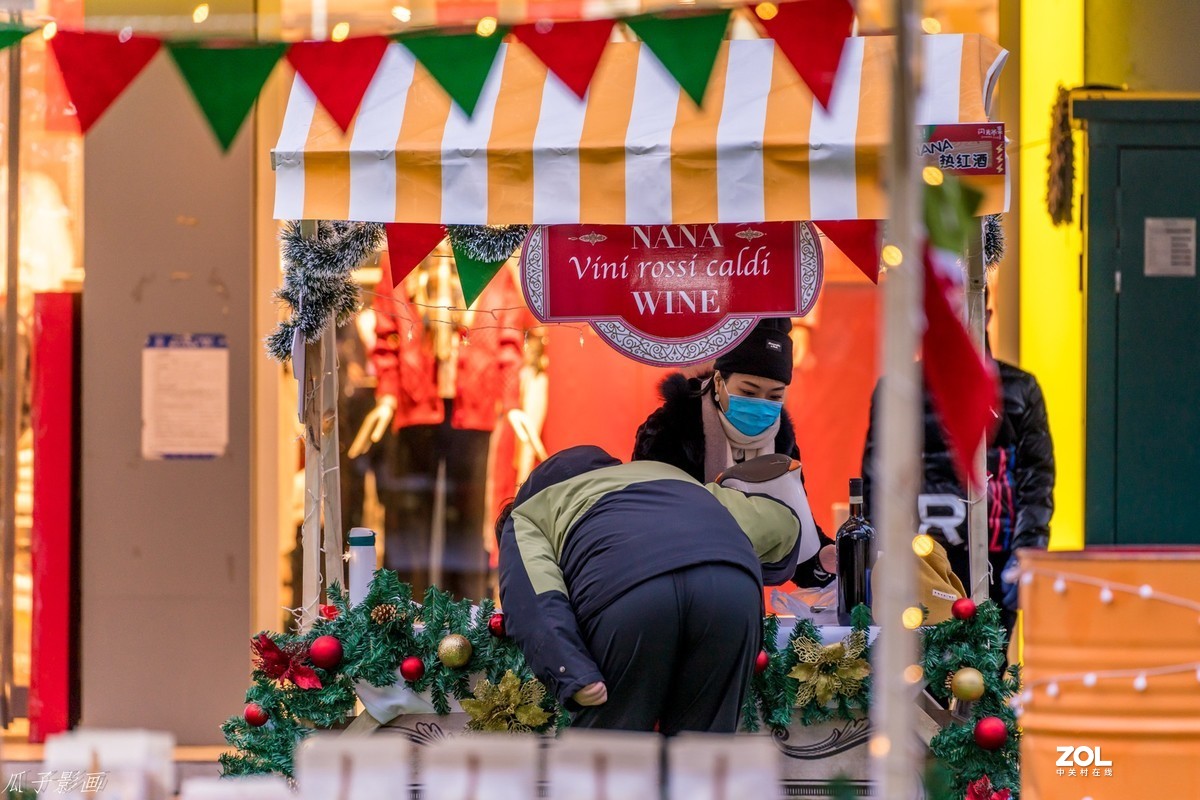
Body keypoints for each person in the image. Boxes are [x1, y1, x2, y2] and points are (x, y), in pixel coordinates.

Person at [496, 446, 822, 733]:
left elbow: (534, 600)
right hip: (732, 590)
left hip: (629, 596)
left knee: (603, 769)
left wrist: (571, 673)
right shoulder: (672, 476)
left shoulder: (529, 513)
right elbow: (783, 526)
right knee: (701, 764)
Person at [861, 303, 1054, 634]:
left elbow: (1036, 482)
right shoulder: (897, 389)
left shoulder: (1020, 389)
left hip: (998, 559)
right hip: (921, 559)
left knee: (987, 671)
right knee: (921, 669)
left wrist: (1026, 555)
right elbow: (878, 482)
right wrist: (883, 554)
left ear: (988, 316)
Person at [631, 318, 835, 586]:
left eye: (775, 396)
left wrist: (822, 559)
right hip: (675, 586)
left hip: (743, 591)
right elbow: (646, 518)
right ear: (718, 381)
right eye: (749, 391)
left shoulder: (781, 439)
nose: (761, 404)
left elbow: (796, 531)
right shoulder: (672, 426)